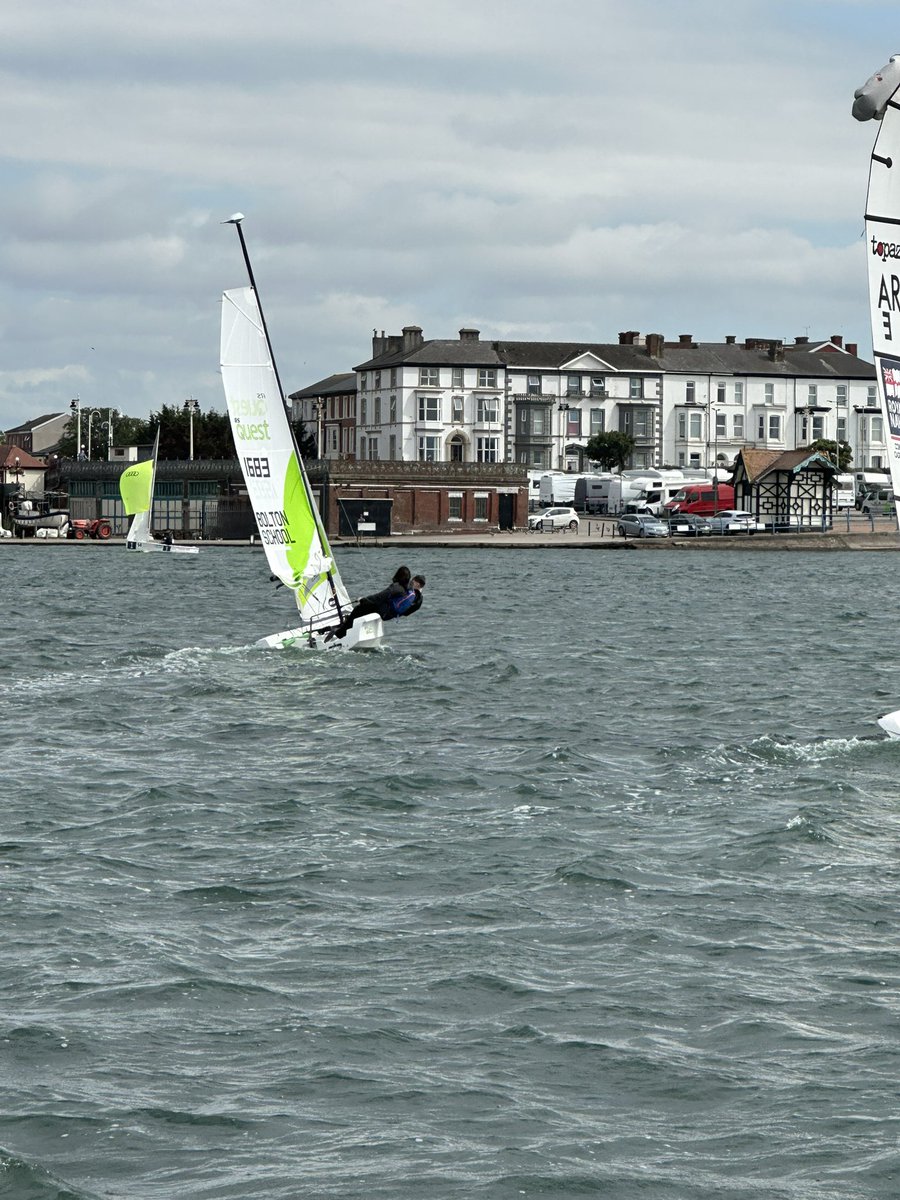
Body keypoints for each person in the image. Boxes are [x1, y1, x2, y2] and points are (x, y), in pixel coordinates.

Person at [325, 570, 425, 641]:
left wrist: (364, 600)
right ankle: (347, 630)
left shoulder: (398, 587)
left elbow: (379, 597)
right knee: (362, 611)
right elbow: (406, 612)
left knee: (358, 609)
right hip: (389, 615)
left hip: (383, 610)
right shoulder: (417, 598)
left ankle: (340, 634)